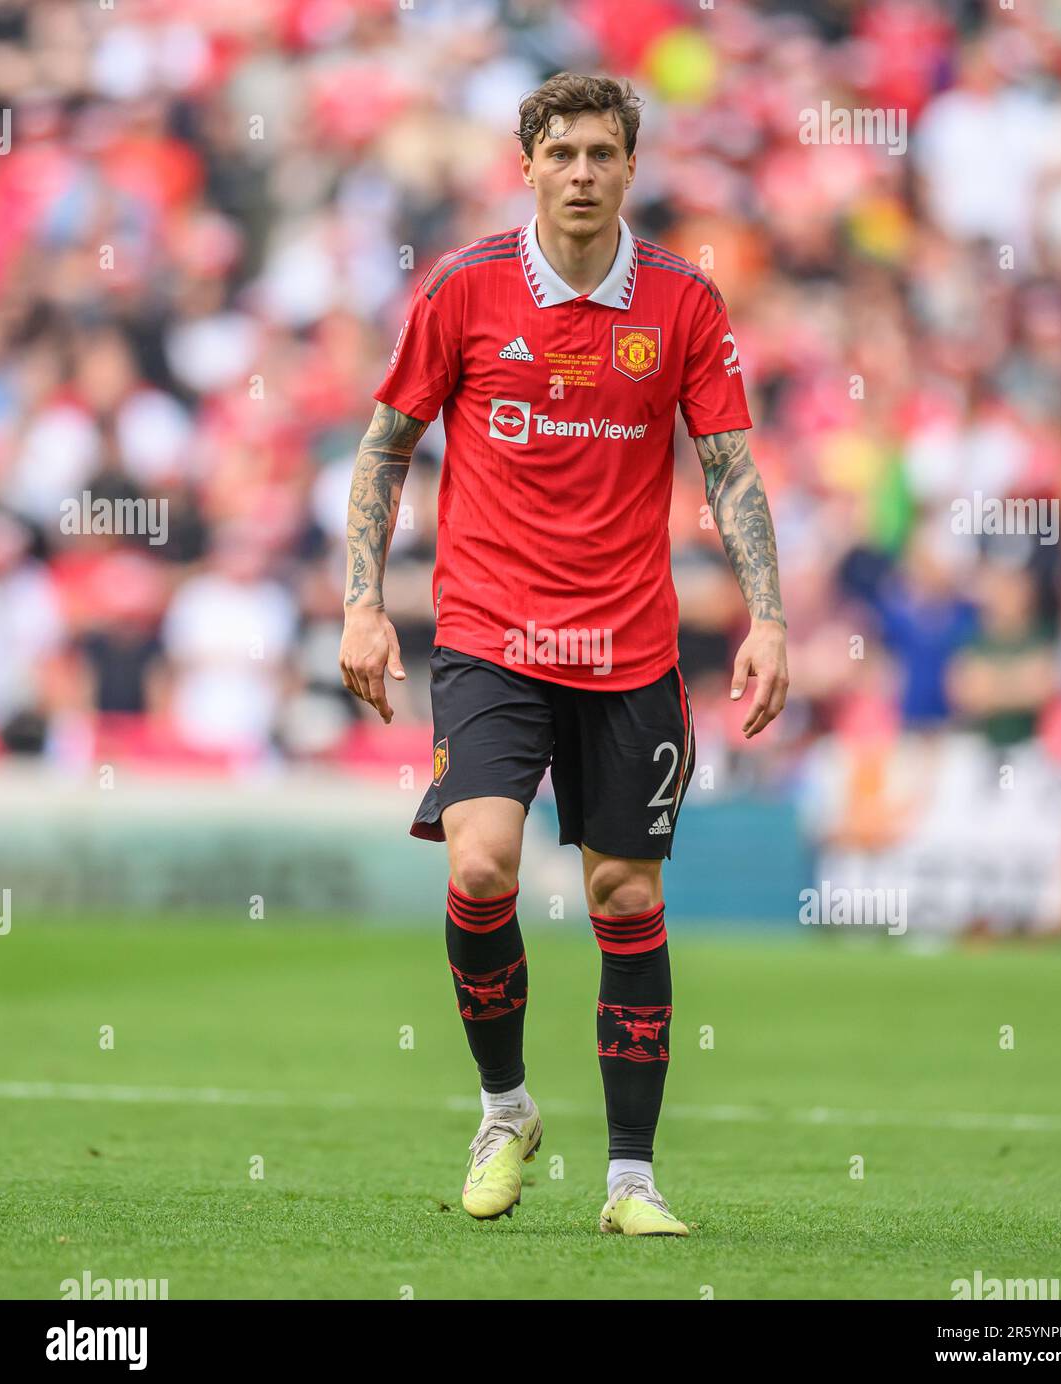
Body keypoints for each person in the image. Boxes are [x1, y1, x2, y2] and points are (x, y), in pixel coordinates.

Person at [339, 73, 788, 1237]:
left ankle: (630, 1180)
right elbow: (386, 445)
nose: (581, 172)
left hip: (629, 645)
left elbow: (730, 465)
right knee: (481, 864)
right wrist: (360, 604)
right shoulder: (466, 286)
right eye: (562, 153)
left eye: (602, 153)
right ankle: (504, 1109)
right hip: (491, 634)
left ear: (630, 167)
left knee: (621, 892)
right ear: (524, 163)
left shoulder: (683, 302)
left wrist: (770, 617)